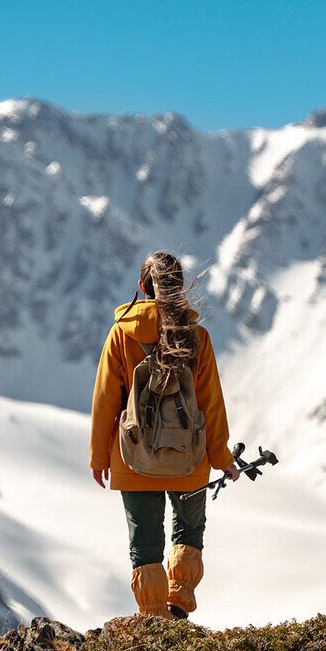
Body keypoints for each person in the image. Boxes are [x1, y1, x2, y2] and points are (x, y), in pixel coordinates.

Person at [89, 251, 240, 619]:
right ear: (180, 287)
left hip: (133, 456)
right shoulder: (198, 338)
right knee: (188, 531)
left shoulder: (122, 333)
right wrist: (223, 459)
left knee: (145, 544)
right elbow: (211, 406)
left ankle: (154, 620)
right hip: (190, 457)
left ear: (143, 287)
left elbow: (106, 400)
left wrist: (98, 458)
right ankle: (179, 604)